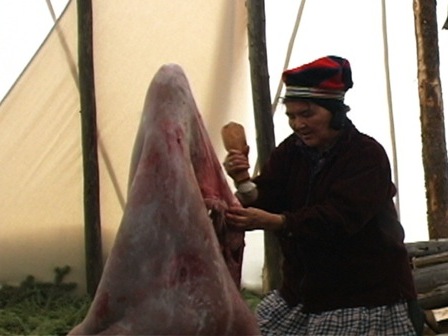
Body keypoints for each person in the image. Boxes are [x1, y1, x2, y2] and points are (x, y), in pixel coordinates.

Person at [223, 55, 423, 335]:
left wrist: (278, 222)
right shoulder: (291, 151)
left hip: (362, 299)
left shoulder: (366, 156)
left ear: (336, 112)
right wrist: (242, 181)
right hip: (303, 295)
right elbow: (268, 194)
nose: (298, 124)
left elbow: (339, 218)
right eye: (292, 116)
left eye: (307, 114)